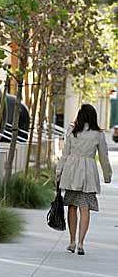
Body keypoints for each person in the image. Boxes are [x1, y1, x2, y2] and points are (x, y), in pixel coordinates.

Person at [56, 104, 112, 255]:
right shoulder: (98, 134)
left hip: (71, 172)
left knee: (72, 207)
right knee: (85, 208)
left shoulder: (72, 130)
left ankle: (72, 241)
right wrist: (107, 175)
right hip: (88, 174)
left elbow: (65, 153)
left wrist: (58, 172)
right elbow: (103, 157)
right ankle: (81, 243)